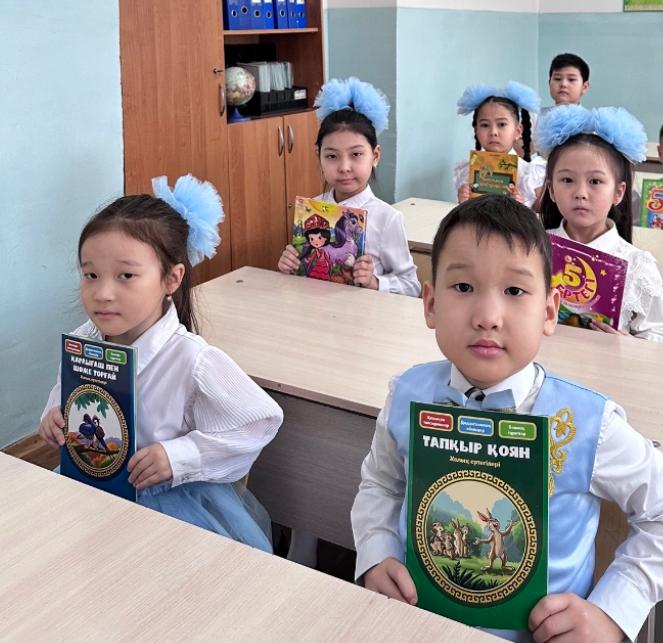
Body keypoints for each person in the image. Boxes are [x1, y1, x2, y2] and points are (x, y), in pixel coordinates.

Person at [351, 194, 663, 642]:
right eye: (463, 287)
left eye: (514, 291)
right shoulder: (407, 393)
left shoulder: (586, 423)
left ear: (549, 311)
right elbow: (382, 484)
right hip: (414, 626)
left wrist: (612, 611)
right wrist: (377, 551)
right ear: (430, 304)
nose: (487, 317)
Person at [38, 175, 282, 552]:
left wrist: (179, 456)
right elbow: (65, 394)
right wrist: (54, 416)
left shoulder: (192, 359)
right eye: (91, 275)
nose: (103, 293)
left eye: (126, 275)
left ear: (171, 278)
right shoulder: (83, 340)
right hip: (91, 488)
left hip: (168, 507)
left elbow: (259, 420)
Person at [537, 104, 663, 343]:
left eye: (595, 181)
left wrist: (625, 343)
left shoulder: (637, 265)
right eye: (567, 180)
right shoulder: (533, 248)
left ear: (618, 192)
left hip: (608, 365)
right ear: (551, 189)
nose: (580, 193)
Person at [277, 77, 420, 297]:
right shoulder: (312, 209)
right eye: (332, 156)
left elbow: (412, 286)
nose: (344, 167)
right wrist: (289, 267)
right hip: (314, 311)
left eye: (356, 154)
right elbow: (304, 276)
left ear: (375, 156)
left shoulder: (387, 218)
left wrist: (375, 282)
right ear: (319, 157)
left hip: (362, 315)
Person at [453, 81, 545, 209]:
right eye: (485, 125)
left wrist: (520, 206)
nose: (493, 132)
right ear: (476, 131)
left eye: (501, 124)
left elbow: (539, 215)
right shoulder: (468, 170)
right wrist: (463, 200)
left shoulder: (528, 173)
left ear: (518, 131)